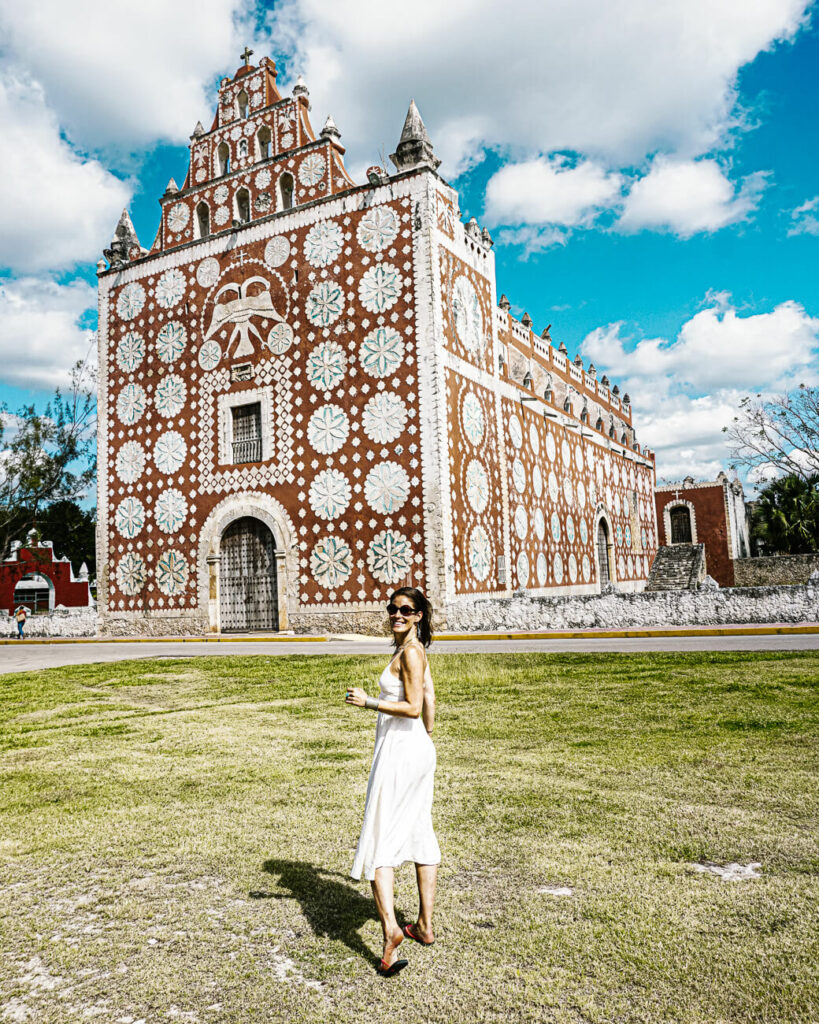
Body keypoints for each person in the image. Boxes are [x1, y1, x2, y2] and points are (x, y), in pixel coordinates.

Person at [345, 587, 440, 977]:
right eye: (393, 608)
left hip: (401, 752)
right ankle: (424, 926)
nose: (396, 614)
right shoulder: (412, 650)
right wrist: (426, 746)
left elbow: (414, 707)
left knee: (379, 836)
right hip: (415, 751)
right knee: (419, 829)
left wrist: (368, 702)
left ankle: (390, 933)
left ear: (418, 615)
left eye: (405, 610)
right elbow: (431, 699)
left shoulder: (412, 653)